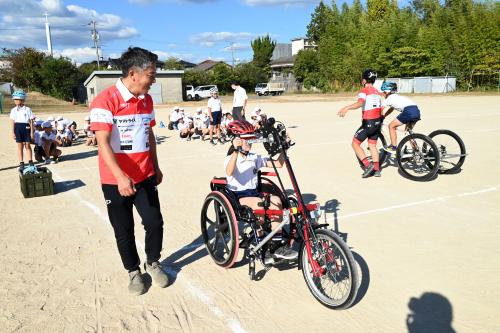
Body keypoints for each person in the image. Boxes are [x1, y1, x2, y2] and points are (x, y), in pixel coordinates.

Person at [89, 46, 169, 295]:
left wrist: (155, 166)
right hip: (115, 180)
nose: (153, 80)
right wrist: (120, 177)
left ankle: (152, 262)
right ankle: (134, 272)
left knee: (154, 222)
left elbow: (149, 134)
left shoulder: (147, 100)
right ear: (133, 73)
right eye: (151, 75)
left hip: (145, 175)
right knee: (123, 229)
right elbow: (102, 143)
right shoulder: (105, 100)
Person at [224, 120, 298, 260]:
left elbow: (278, 164)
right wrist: (235, 150)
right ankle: (262, 245)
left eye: (250, 140)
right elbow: (229, 171)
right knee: (259, 203)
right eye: (246, 140)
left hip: (254, 192)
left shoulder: (254, 158)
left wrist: (284, 148)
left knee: (276, 201)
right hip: (237, 195)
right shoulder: (230, 158)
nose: (249, 143)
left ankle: (277, 246)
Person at [338, 69, 383, 178]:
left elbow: (359, 103)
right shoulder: (377, 92)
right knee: (372, 145)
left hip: (368, 123)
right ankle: (377, 170)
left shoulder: (364, 91)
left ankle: (368, 166)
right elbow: (381, 109)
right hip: (378, 122)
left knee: (355, 143)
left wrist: (346, 107)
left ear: (363, 80)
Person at [380, 81, 421, 153]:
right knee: (408, 132)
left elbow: (381, 109)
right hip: (416, 111)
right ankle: (416, 150)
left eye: (383, 92)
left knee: (391, 126)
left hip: (408, 111)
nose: (382, 94)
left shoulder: (388, 99)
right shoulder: (397, 97)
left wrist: (380, 117)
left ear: (387, 92)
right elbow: (391, 108)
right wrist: (384, 116)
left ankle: (393, 146)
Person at [10, 90, 34, 171]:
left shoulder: (28, 109)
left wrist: (32, 133)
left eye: (18, 99)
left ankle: (30, 162)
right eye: (15, 99)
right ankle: (21, 163)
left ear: (23, 100)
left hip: (26, 128)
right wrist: (13, 132)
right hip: (17, 128)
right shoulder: (13, 110)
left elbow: (31, 121)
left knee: (27, 145)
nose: (16, 101)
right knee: (20, 147)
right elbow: (12, 122)